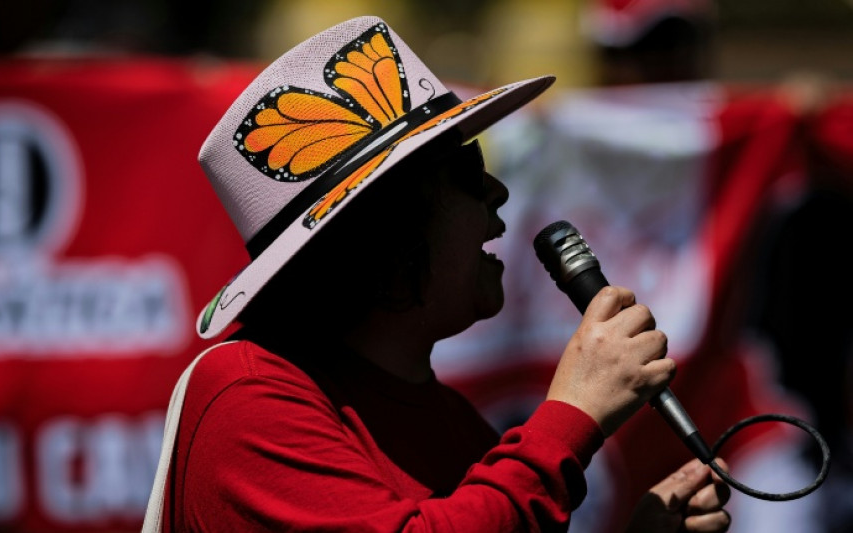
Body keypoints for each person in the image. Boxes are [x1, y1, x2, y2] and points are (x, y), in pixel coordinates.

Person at [144, 16, 731, 532]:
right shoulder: (249, 395)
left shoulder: (457, 426)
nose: (498, 195)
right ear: (388, 228)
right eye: (469, 172)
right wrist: (573, 415)